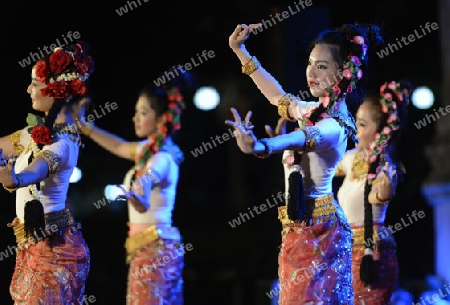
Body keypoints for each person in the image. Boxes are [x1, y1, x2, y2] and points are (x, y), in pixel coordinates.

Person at [226, 22, 385, 304]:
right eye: (310, 63)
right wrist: (240, 51)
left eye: (322, 66)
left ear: (343, 73)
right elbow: (277, 96)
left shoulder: (333, 126)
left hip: (320, 230)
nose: (311, 72)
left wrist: (260, 146)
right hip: (301, 224)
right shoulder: (313, 111)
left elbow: (298, 138)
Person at [0, 42, 94, 304]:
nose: (29, 89)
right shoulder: (33, 134)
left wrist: (15, 179)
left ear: (56, 89)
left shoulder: (64, 143)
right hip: (33, 246)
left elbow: (36, 169)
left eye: (34, 83)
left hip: (53, 251)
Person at [79, 81, 186, 305]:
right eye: (136, 111)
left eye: (143, 112)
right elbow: (118, 146)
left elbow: (145, 186)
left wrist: (137, 197)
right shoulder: (147, 151)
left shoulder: (161, 159)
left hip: (156, 250)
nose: (135, 118)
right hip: (147, 247)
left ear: (161, 118)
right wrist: (84, 126)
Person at [336, 80, 410, 304]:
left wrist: (383, 192)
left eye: (361, 124)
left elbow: (376, 197)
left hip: (373, 251)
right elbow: (323, 169)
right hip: (344, 248)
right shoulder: (351, 158)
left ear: (379, 131)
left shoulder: (386, 166)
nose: (356, 130)